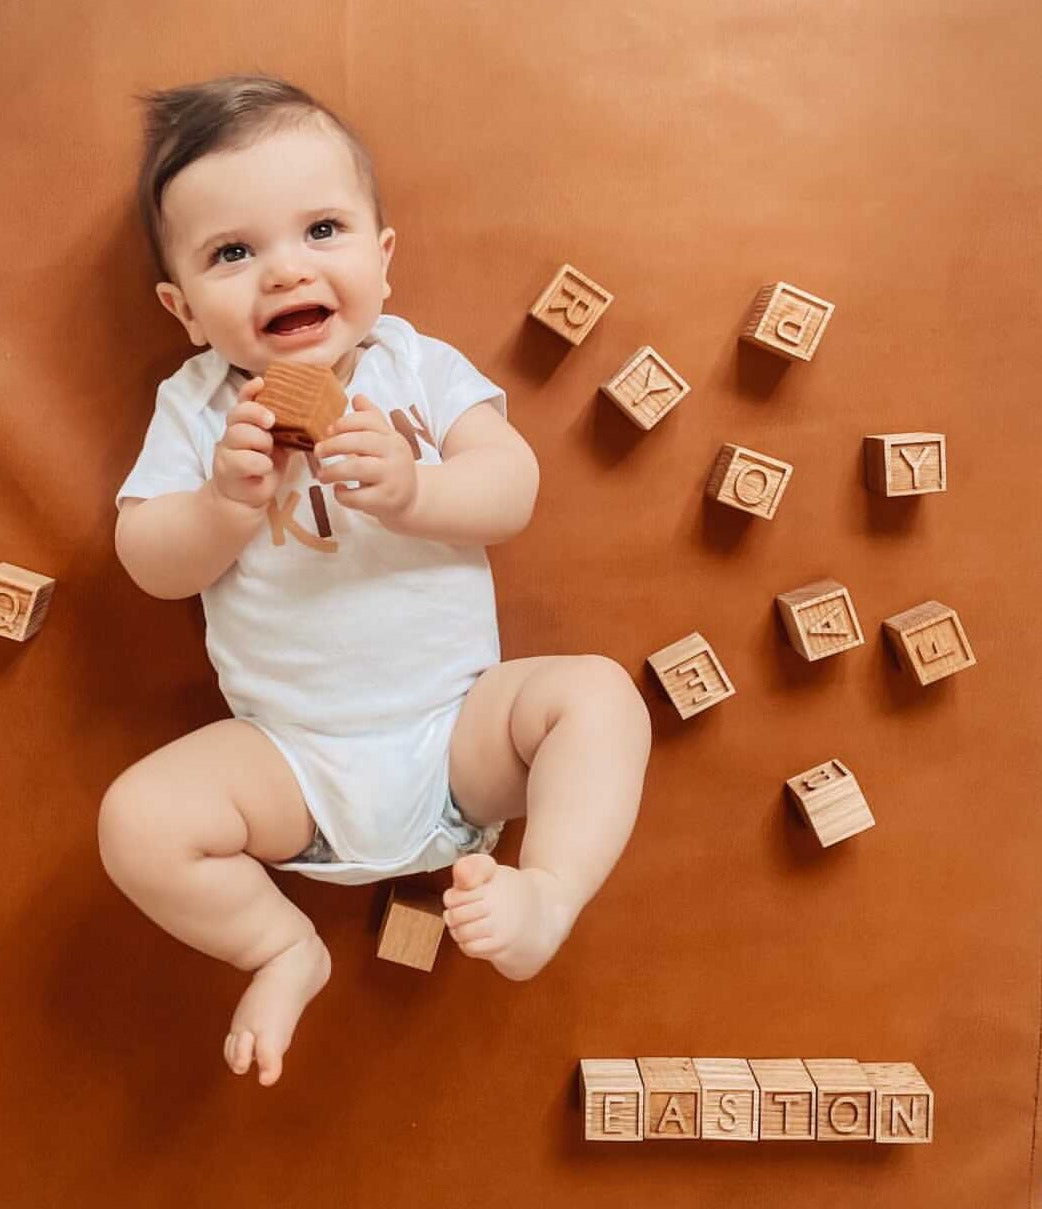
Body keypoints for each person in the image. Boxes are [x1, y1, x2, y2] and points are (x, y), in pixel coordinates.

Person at [98, 72, 652, 1088]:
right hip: (290, 764)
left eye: (321, 230)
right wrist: (221, 506)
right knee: (136, 821)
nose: (281, 271)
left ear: (382, 260)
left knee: (599, 697)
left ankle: (548, 896)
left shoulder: (418, 368)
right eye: (233, 252)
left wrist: (413, 492)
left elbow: (512, 486)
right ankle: (278, 947)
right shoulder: (196, 408)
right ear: (182, 309)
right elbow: (146, 559)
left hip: (457, 734)